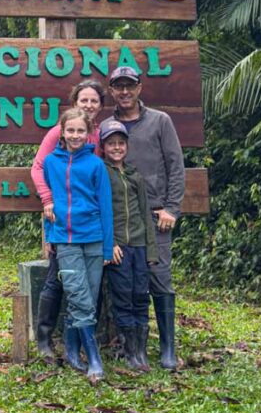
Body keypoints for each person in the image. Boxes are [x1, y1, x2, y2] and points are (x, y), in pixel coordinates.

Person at [108, 65, 185, 369]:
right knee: (126, 283)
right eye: (119, 86)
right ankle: (130, 347)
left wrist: (172, 208)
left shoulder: (160, 121)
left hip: (155, 215)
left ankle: (168, 348)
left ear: (139, 88)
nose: (125, 91)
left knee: (159, 279)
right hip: (121, 219)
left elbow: (175, 166)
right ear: (112, 91)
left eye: (130, 85)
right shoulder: (109, 126)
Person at [31, 79, 105, 364]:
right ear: (75, 102)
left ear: (100, 105)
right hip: (62, 221)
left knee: (91, 287)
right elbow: (39, 167)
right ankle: (45, 339)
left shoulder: (99, 134)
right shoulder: (58, 132)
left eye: (94, 100)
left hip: (90, 224)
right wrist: (48, 199)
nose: (89, 105)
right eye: (84, 100)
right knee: (56, 279)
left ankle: (81, 345)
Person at [42, 106, 113, 381]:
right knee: (78, 296)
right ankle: (94, 358)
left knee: (88, 299)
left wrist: (107, 247)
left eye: (80, 131)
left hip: (93, 239)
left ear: (88, 133)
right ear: (62, 132)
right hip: (66, 241)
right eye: (70, 130)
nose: (75, 135)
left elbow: (105, 207)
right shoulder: (51, 162)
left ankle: (72, 350)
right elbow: (49, 203)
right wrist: (51, 235)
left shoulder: (96, 164)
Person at [99, 117, 158, 370]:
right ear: (103, 147)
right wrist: (109, 244)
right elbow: (100, 211)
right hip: (118, 247)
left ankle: (141, 351)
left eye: (120, 143)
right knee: (122, 297)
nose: (116, 148)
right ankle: (129, 351)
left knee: (140, 296)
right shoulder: (101, 172)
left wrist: (151, 250)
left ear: (127, 146)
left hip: (139, 244)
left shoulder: (135, 175)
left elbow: (145, 212)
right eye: (111, 143)